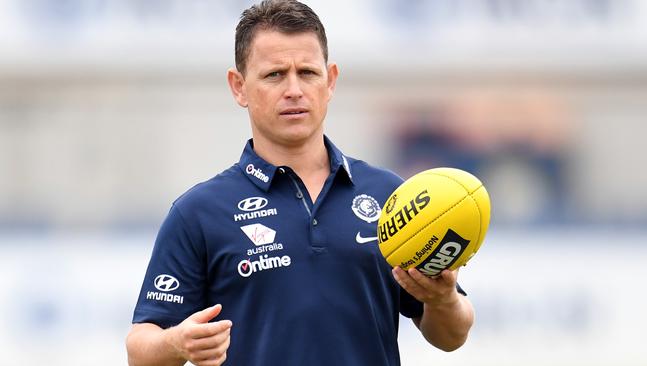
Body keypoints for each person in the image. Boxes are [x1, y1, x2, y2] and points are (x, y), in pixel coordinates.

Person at [126, 1, 474, 365]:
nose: (294, 89)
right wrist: (177, 343)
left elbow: (452, 336)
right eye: (274, 74)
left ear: (331, 80)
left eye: (307, 72)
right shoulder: (198, 212)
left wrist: (443, 301)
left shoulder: (391, 196)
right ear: (239, 87)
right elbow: (139, 348)